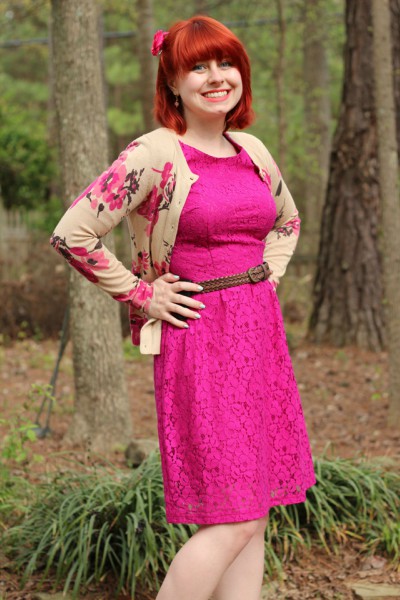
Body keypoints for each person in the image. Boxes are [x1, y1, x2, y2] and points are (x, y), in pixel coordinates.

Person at [51, 15, 316, 600]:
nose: (216, 77)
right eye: (198, 66)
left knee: (254, 506)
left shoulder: (252, 150)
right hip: (201, 339)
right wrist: (142, 293)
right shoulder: (155, 154)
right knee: (234, 516)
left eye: (226, 64)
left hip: (259, 336)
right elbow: (74, 233)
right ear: (172, 83)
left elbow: (287, 220)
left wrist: (265, 275)